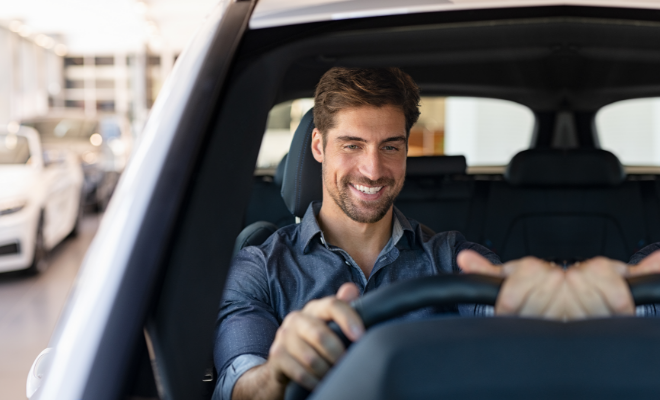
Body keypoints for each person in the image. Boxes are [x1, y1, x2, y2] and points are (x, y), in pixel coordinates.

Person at [212, 67, 649, 400]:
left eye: (391, 146)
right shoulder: (259, 266)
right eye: (352, 145)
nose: (373, 169)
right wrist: (280, 371)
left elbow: (515, 327)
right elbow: (240, 382)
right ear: (318, 147)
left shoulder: (452, 258)